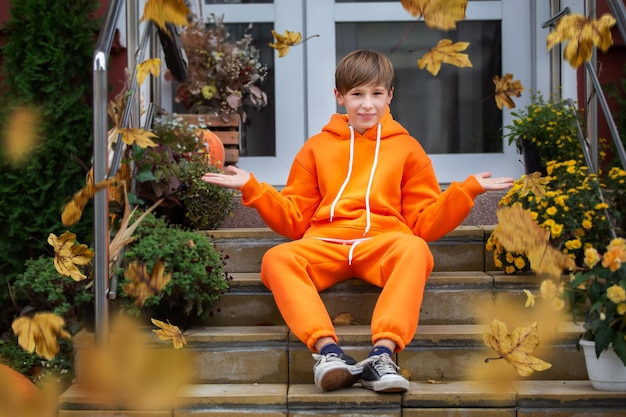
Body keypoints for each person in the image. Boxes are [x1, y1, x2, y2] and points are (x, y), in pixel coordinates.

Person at [202, 49, 514, 393]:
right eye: (357, 94)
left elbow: (425, 223)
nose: (367, 105)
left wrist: (466, 190)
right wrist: (253, 187)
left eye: (376, 94)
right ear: (339, 97)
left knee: (415, 249)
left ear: (390, 95)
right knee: (277, 258)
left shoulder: (408, 149)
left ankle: (382, 356)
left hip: (382, 243)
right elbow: (293, 219)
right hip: (326, 243)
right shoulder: (316, 148)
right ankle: (330, 355)